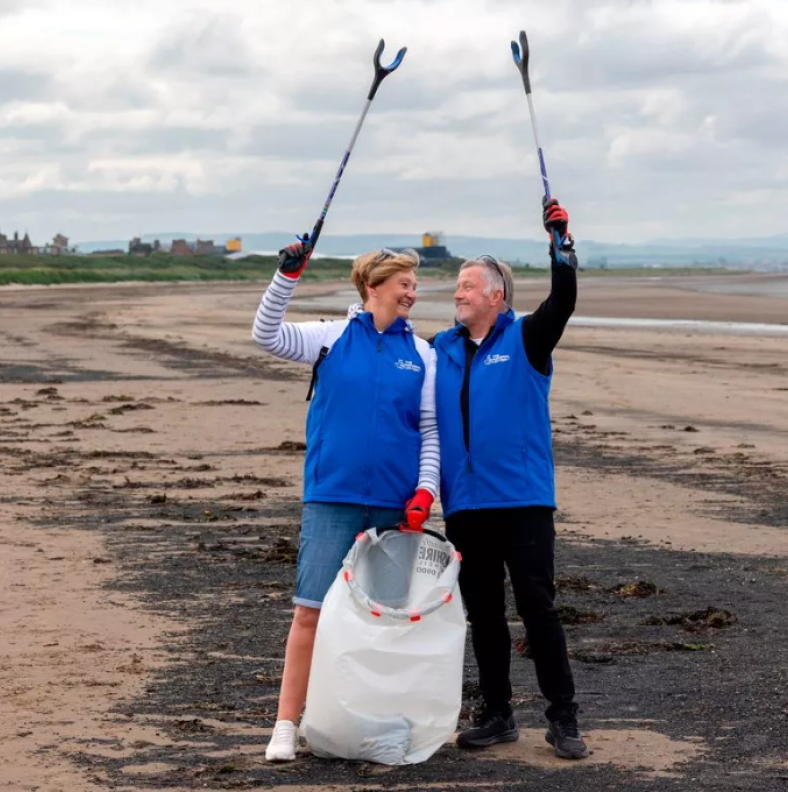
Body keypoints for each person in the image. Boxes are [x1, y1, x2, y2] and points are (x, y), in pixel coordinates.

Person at [251, 242, 439, 762]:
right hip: (331, 499)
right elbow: (265, 333)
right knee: (310, 614)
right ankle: (287, 724)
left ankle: (385, 727)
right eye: (404, 284)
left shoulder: (422, 354)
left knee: (388, 622)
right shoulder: (328, 338)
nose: (412, 294)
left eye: (414, 286)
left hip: (395, 508)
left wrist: (426, 490)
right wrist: (285, 275)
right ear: (372, 287)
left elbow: (428, 431)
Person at [431, 199, 587, 760]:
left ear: (496, 296)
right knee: (483, 614)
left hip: (522, 501)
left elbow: (563, 301)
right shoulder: (440, 349)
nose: (457, 293)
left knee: (537, 607)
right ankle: (497, 713)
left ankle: (564, 718)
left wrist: (560, 243)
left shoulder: (526, 338)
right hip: (465, 505)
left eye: (468, 286)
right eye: (456, 285)